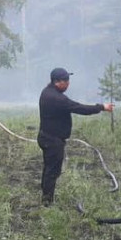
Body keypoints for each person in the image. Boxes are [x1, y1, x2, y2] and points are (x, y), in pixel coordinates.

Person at [37, 67, 113, 206]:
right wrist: (102, 107)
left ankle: (46, 197)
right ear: (57, 82)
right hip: (52, 140)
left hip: (47, 138)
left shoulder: (47, 92)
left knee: (49, 168)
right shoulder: (56, 98)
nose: (68, 83)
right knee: (52, 171)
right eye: (66, 80)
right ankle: (47, 202)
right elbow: (80, 108)